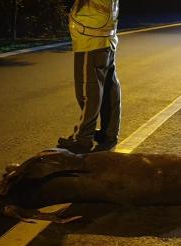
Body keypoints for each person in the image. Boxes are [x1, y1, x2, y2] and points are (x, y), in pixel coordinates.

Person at [57, 0, 121, 154]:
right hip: (104, 38)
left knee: (88, 92)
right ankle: (109, 134)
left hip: (91, 39)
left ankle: (83, 139)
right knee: (108, 90)